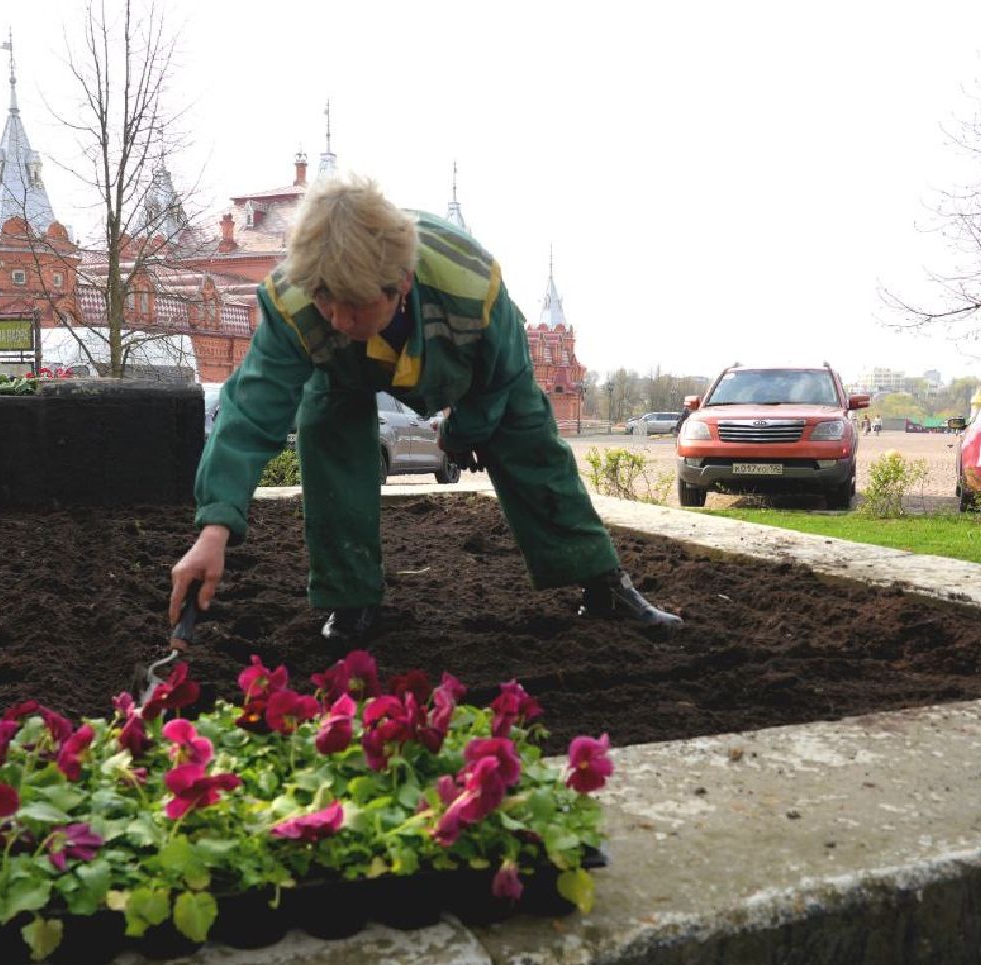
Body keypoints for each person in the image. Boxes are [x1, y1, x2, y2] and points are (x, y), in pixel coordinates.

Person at [169, 175, 680, 643]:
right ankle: (351, 601)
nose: (340, 319)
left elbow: (502, 375)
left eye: (355, 303)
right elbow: (250, 412)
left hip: (467, 363)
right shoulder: (292, 301)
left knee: (531, 444)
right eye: (327, 302)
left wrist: (463, 432)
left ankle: (602, 582)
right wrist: (214, 529)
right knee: (327, 434)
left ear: (401, 285)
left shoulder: (470, 281)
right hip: (343, 376)